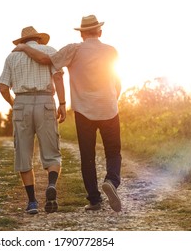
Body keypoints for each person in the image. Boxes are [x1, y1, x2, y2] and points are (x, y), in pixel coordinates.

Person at [13, 15, 122, 212]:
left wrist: (24, 47)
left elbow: (45, 59)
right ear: (100, 32)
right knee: (113, 152)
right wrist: (113, 100)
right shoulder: (111, 51)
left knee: (87, 156)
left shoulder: (74, 49)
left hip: (84, 111)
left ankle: (95, 200)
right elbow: (117, 81)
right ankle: (112, 181)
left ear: (81, 34)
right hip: (110, 109)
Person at [0, 26, 67, 214]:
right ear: (39, 40)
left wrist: (14, 103)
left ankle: (32, 202)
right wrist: (62, 103)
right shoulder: (50, 51)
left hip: (22, 103)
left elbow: (3, 87)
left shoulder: (12, 56)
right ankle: (51, 185)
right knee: (52, 153)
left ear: (22, 42)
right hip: (46, 101)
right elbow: (59, 78)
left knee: (23, 154)